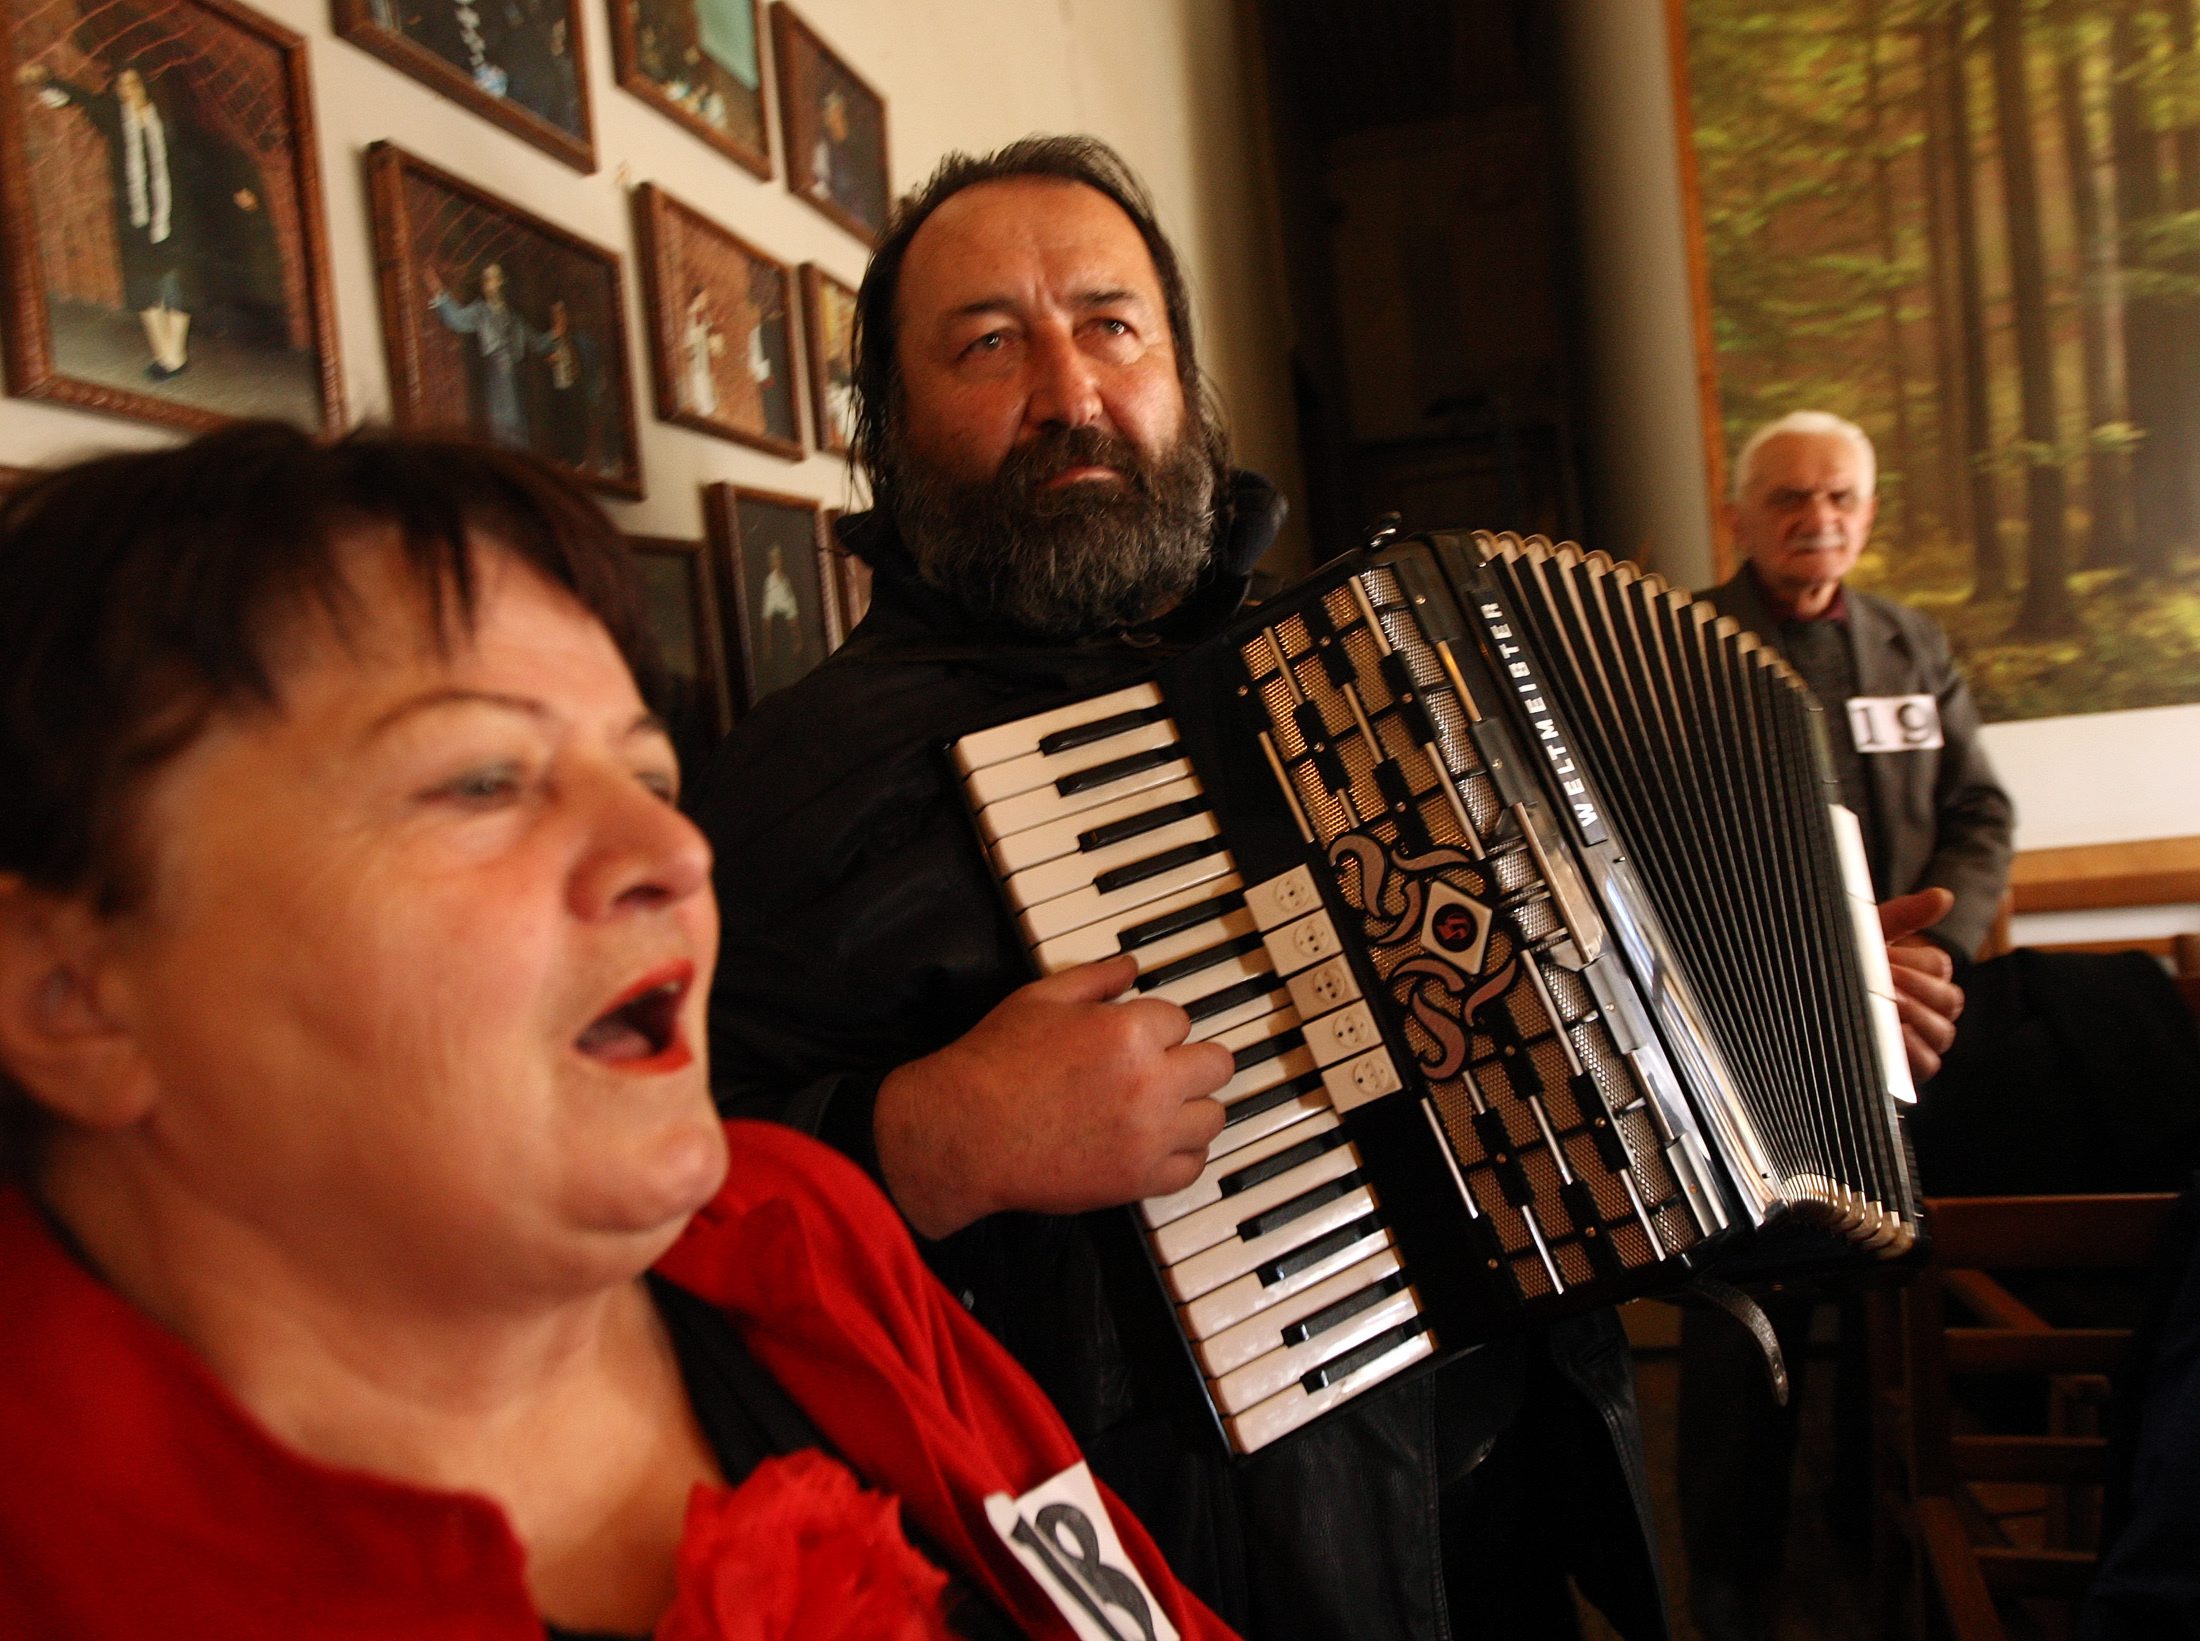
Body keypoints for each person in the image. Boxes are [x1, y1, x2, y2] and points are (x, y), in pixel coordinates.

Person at [693, 138, 1966, 1641]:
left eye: (1112, 326)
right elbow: (639, 1210)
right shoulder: (796, 786)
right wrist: (926, 1141)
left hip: (1507, 1507)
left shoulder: (1363, 667)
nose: (1071, 391)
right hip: (1155, 1564)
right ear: (888, 429)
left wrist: (1804, 995)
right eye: (988, 343)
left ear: (1180, 373)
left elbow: (1560, 1056)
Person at [0, 424, 1236, 1641]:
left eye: (647, 779)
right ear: (72, 998)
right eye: (482, 779)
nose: (677, 853)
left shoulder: (794, 1228)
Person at [1680, 409, 2014, 1641]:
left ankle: (1880, 1536)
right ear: (1740, 514)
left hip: (1906, 1026)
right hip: (1750, 1028)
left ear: (1866, 512)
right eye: (1787, 500)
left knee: (1894, 1278)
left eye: (1839, 499)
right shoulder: (1686, 645)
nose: (1816, 520)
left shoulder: (1913, 646)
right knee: (1745, 1307)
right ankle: (1728, 1575)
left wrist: (1941, 946)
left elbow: (1978, 812)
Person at [16, 60, 271, 380]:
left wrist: (235, 189)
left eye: (133, 84)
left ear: (145, 87)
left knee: (179, 287)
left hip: (176, 217)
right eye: (121, 86)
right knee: (143, 287)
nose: (127, 91)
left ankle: (175, 354)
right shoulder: (113, 116)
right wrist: (45, 77)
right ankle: (166, 355)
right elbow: (78, 97)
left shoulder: (167, 122)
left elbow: (203, 160)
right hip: (135, 219)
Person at [427, 260, 549, 451]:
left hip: (516, 381)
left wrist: (554, 338)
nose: (488, 283)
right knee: (499, 430)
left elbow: (536, 341)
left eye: (492, 278)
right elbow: (457, 319)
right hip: (496, 379)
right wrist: (440, 294)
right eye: (485, 279)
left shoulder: (515, 318)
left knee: (519, 430)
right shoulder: (480, 311)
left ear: (501, 281)